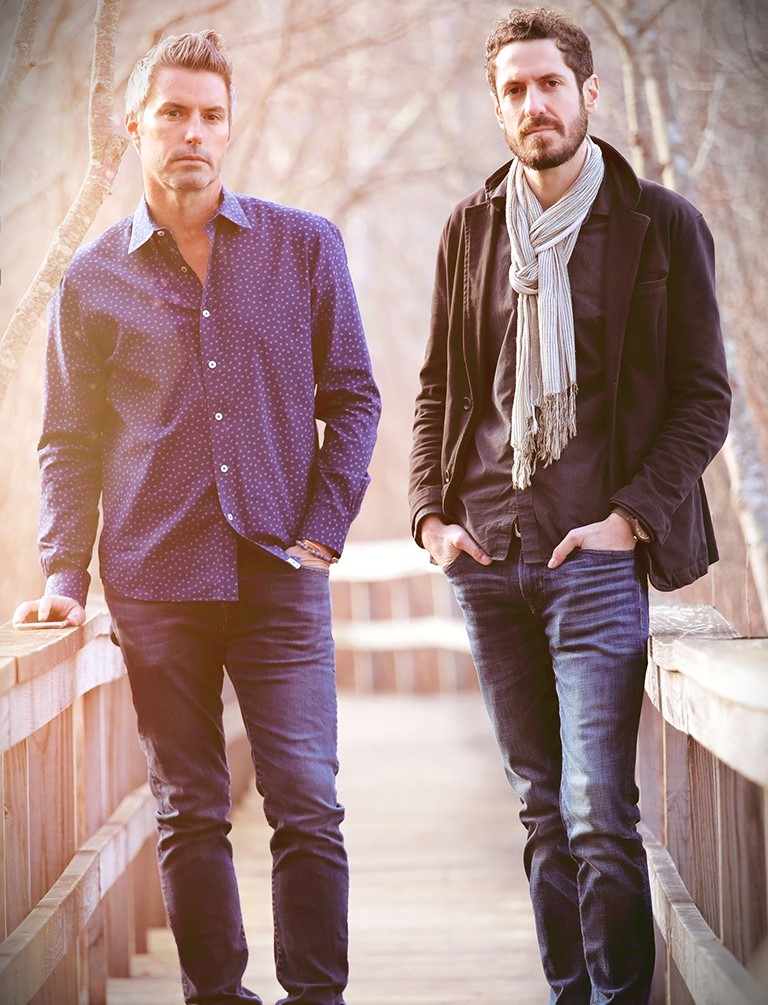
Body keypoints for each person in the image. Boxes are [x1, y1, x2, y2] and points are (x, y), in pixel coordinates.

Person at [14, 29, 380, 1005]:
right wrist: (63, 576)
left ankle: (316, 997)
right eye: (172, 113)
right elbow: (68, 443)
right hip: (152, 583)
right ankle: (217, 996)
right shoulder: (94, 280)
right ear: (136, 125)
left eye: (210, 115)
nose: (192, 133)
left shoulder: (304, 246)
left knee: (307, 801)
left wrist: (323, 529)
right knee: (188, 807)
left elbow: (354, 396)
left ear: (230, 126)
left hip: (278, 574)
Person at [408, 7, 730, 1003]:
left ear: (591, 94)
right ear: (497, 106)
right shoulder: (469, 228)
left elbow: (704, 397)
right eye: (514, 89)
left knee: (598, 813)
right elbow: (435, 389)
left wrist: (630, 518)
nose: (533, 104)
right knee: (541, 813)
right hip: (487, 561)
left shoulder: (659, 224)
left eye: (551, 84)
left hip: (595, 561)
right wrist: (432, 519)